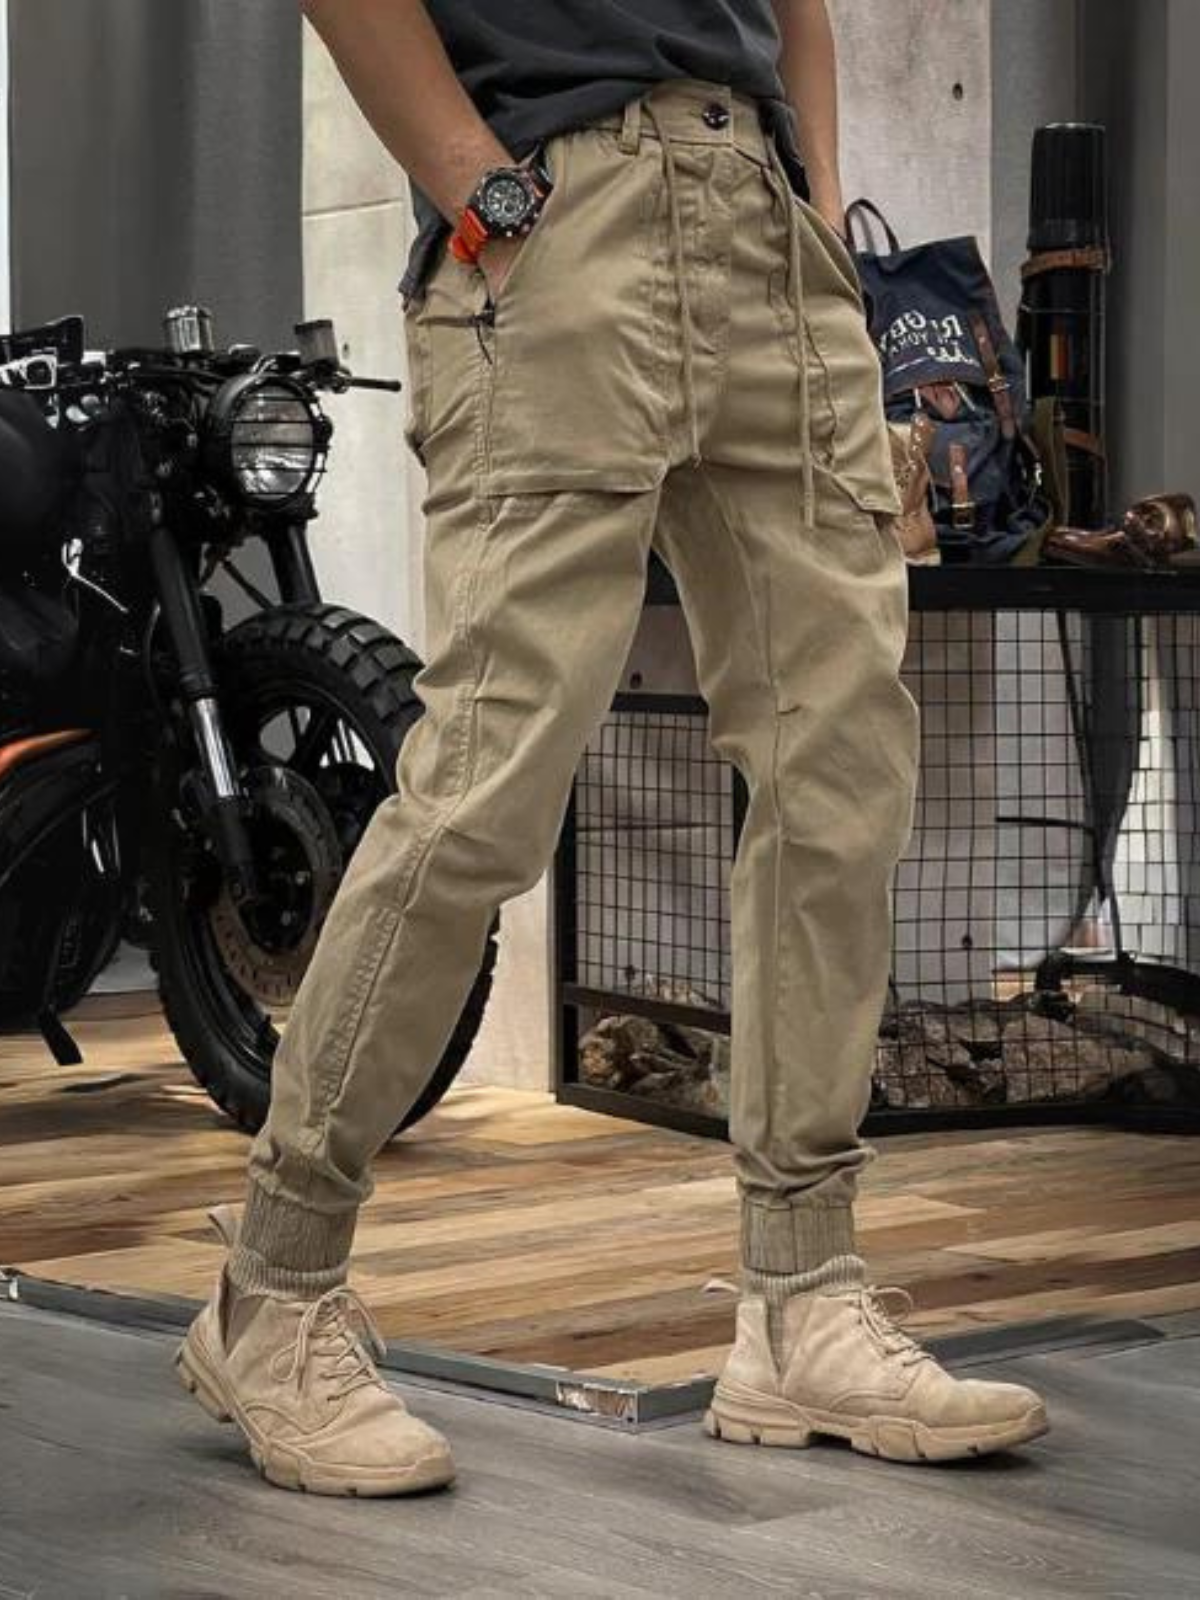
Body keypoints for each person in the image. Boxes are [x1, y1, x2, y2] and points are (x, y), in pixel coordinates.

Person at [176, 0, 1049, 1495]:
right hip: (560, 229)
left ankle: (802, 1301)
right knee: (487, 791)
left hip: (765, 234)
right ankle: (276, 1290)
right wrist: (483, 192)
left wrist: (817, 209)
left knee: (841, 776)